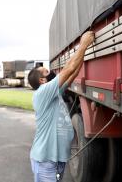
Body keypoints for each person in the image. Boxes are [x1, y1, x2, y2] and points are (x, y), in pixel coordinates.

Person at [28, 31, 94, 182]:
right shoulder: (42, 93)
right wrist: (83, 44)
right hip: (46, 161)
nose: (50, 71)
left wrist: (84, 50)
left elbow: (73, 73)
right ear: (43, 81)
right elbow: (68, 70)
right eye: (45, 71)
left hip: (57, 159)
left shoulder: (54, 92)